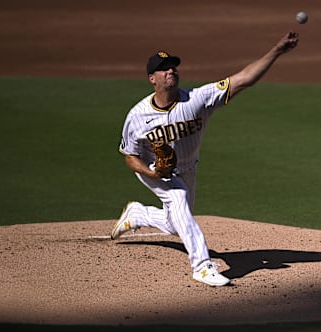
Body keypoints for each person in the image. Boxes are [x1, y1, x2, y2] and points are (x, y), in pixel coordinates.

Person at [110, 32, 299, 286]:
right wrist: (153, 173)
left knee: (177, 221)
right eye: (163, 69)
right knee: (176, 199)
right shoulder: (138, 116)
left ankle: (139, 214)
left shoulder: (196, 99)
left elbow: (243, 80)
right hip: (154, 169)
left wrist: (276, 50)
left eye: (173, 66)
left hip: (188, 169)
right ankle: (201, 266)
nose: (171, 71)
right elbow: (130, 157)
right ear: (152, 79)